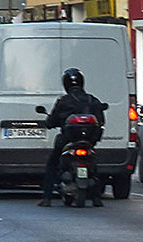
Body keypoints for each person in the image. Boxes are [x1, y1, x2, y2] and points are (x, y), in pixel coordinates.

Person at [38, 68, 107, 208]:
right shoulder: (91, 99)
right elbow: (101, 120)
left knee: (52, 163)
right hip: (89, 141)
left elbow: (52, 121)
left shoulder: (64, 101)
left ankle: (47, 198)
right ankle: (97, 198)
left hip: (68, 141)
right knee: (94, 165)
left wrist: (48, 122)